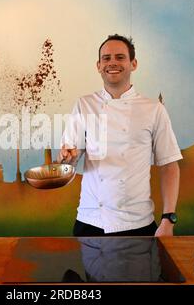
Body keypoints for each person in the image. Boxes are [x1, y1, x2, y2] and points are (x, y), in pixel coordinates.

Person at [58, 34, 182, 237]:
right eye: (106, 58)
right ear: (98, 66)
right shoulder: (84, 104)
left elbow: (169, 166)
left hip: (137, 224)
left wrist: (168, 219)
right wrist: (67, 159)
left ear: (133, 64)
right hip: (89, 222)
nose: (112, 63)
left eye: (120, 57)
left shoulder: (153, 109)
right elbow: (67, 163)